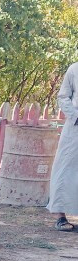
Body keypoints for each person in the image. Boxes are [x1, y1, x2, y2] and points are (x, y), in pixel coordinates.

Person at [49, 62, 78, 231]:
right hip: (75, 128)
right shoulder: (74, 69)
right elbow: (63, 96)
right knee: (65, 168)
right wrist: (75, 116)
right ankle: (60, 217)